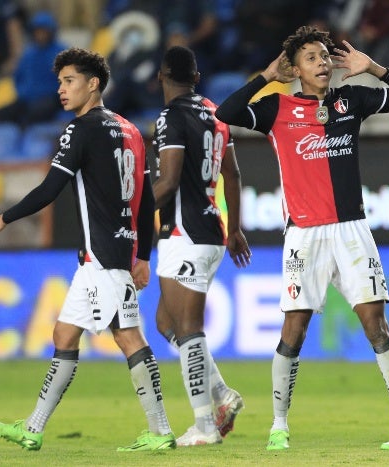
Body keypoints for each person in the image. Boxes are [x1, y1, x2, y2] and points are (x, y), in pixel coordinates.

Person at [215, 26, 389, 451]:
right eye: (312, 58)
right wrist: (266, 76)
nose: (323, 63)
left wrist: (375, 69)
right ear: (296, 68)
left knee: (376, 324)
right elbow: (226, 111)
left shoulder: (353, 101)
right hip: (304, 235)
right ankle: (278, 426)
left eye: (325, 57)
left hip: (351, 230)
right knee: (294, 329)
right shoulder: (276, 107)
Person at [0, 47, 176, 452]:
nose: (61, 89)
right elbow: (143, 203)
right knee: (65, 334)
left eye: (69, 81)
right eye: (59, 82)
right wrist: (142, 256)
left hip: (102, 255)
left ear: (93, 84)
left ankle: (160, 431)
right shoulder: (132, 131)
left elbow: (51, 188)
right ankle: (33, 428)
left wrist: (5, 217)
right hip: (114, 253)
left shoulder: (80, 129)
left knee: (129, 339)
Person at [152, 45, 251, 446]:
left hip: (186, 232)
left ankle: (205, 426)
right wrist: (236, 229)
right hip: (209, 230)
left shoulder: (170, 118)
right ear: (196, 78)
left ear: (161, 76)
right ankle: (222, 394)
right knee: (165, 323)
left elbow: (169, 182)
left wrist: (134, 210)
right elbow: (234, 174)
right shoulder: (216, 113)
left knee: (189, 331)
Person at [0, 11, 67, 127]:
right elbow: (18, 77)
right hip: (27, 98)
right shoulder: (28, 53)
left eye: (43, 31)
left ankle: (29, 139)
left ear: (51, 31)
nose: (40, 35)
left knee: (35, 113)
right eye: (37, 31)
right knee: (2, 113)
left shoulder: (62, 52)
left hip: (52, 98)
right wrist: (23, 92)